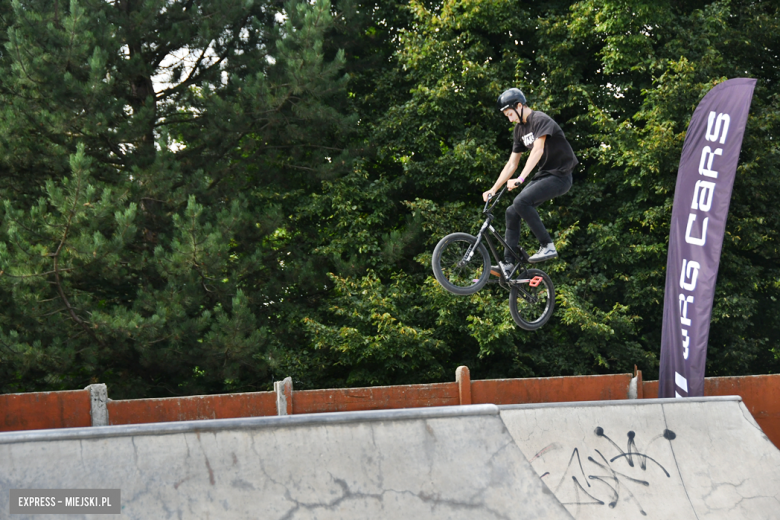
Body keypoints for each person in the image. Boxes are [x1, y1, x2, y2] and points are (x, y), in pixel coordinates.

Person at [482, 88, 578, 276]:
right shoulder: (519, 130)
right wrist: (493, 189)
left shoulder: (540, 120)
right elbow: (512, 163)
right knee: (512, 211)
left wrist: (520, 179)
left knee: (521, 202)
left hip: (561, 175)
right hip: (545, 174)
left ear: (519, 106)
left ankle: (547, 245)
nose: (510, 119)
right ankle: (508, 265)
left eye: (510, 114)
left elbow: (537, 150)